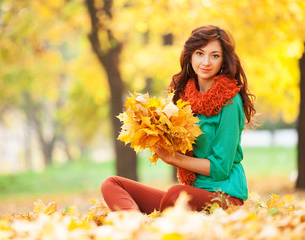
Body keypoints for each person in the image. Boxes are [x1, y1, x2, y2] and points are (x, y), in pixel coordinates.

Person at [101, 24, 256, 214]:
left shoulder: (230, 101)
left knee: (175, 195)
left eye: (214, 55)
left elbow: (221, 168)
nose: (206, 61)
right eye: (200, 53)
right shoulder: (182, 99)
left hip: (224, 196)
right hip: (190, 194)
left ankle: (152, 219)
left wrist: (172, 158)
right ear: (190, 56)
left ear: (223, 60)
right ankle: (136, 225)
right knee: (112, 184)